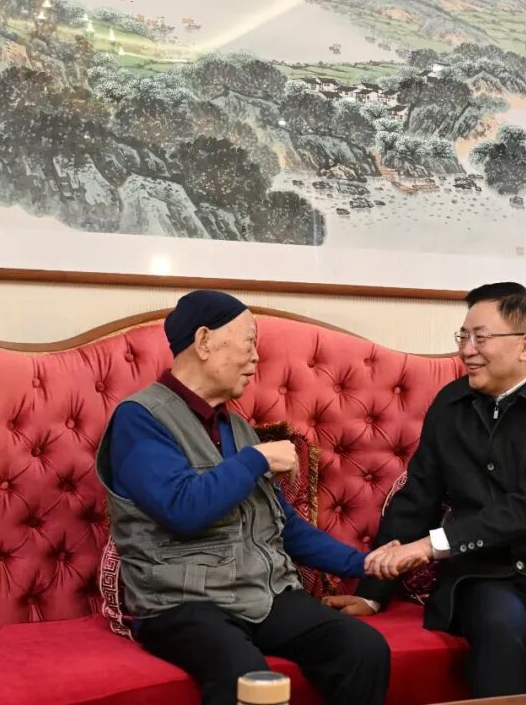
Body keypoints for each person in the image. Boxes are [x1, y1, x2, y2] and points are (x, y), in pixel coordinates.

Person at [325, 282, 526, 698]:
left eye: (480, 338)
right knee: (496, 640)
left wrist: (430, 546)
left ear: (525, 345)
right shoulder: (451, 405)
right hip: (487, 573)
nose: (467, 350)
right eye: (463, 337)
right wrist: (372, 594)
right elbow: (417, 498)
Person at [95, 290, 390, 705]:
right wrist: (257, 459)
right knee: (243, 676)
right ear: (203, 341)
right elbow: (182, 509)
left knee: (362, 648)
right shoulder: (140, 418)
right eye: (249, 342)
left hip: (262, 595)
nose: (256, 358)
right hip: (181, 603)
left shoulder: (237, 428)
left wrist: (365, 564)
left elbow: (283, 525)